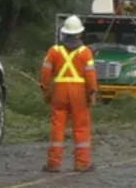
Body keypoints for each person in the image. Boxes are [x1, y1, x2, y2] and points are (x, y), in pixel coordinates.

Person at [40, 15, 98, 172]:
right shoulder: (85, 52)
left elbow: (45, 73)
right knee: (81, 128)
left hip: (59, 92)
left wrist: (45, 91)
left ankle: (53, 163)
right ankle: (82, 163)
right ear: (79, 34)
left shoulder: (54, 51)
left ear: (64, 33)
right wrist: (92, 93)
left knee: (57, 127)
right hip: (79, 94)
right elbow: (91, 76)